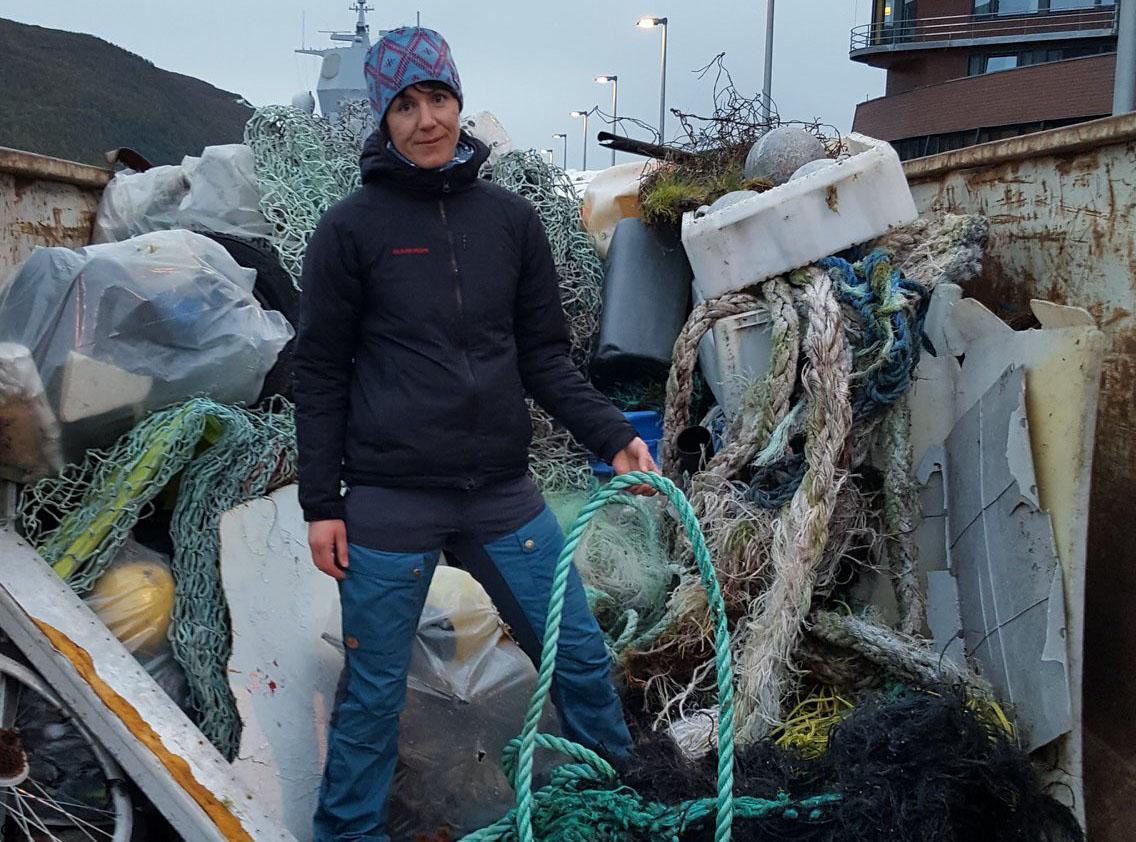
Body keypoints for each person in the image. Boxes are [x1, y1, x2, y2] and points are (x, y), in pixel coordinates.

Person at [292, 26, 657, 842]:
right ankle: (348, 834)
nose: (428, 120)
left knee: (581, 658)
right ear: (381, 119)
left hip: (501, 492)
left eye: (440, 98)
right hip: (389, 501)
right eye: (406, 105)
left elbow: (546, 360)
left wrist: (610, 436)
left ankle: (630, 806)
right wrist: (324, 503)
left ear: (460, 100)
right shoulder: (349, 230)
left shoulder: (511, 223)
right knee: (373, 697)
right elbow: (319, 374)